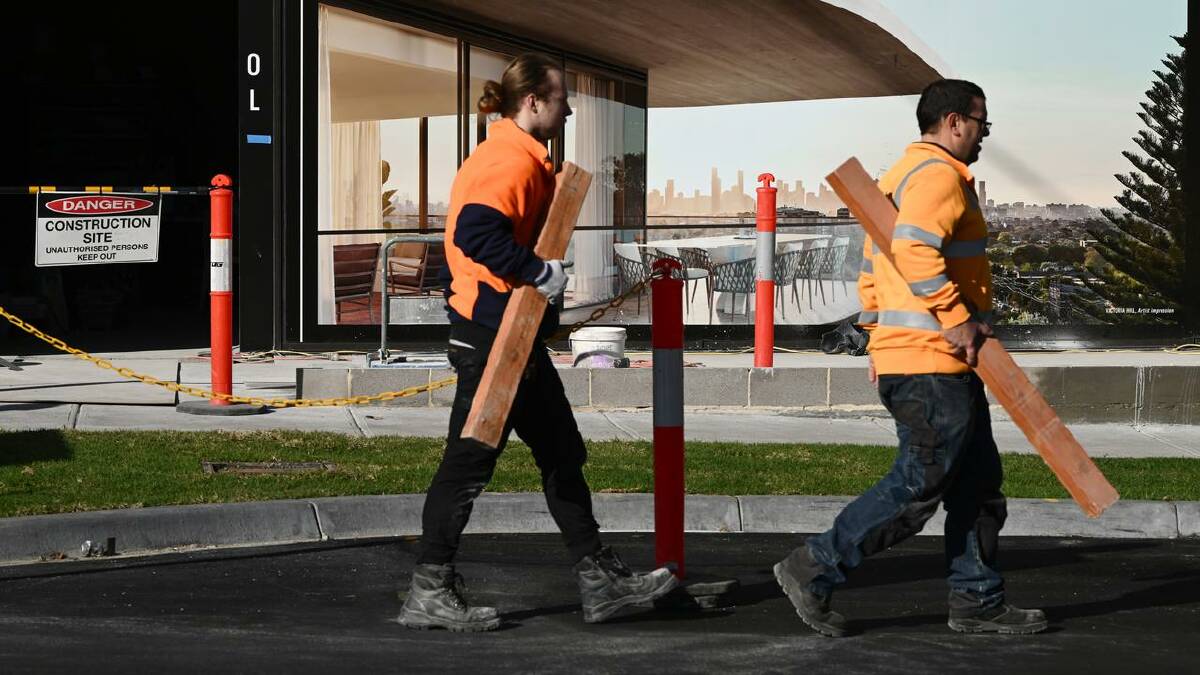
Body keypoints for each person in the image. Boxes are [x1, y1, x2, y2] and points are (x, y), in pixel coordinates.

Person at [397, 53, 677, 632]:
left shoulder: (519, 155)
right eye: (561, 97)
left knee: (562, 453)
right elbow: (475, 232)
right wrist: (536, 271)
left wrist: (532, 278)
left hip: (512, 335)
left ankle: (599, 581)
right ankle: (429, 588)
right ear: (534, 102)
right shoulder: (509, 159)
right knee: (468, 464)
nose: (569, 106)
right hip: (495, 339)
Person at [774, 79, 1047, 637]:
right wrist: (957, 318)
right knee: (918, 486)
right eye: (981, 124)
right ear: (953, 122)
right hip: (932, 359)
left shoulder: (896, 178)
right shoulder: (940, 176)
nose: (982, 136)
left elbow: (874, 270)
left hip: (931, 359)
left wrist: (877, 336)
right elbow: (915, 251)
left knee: (978, 485)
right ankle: (815, 565)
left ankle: (977, 599)